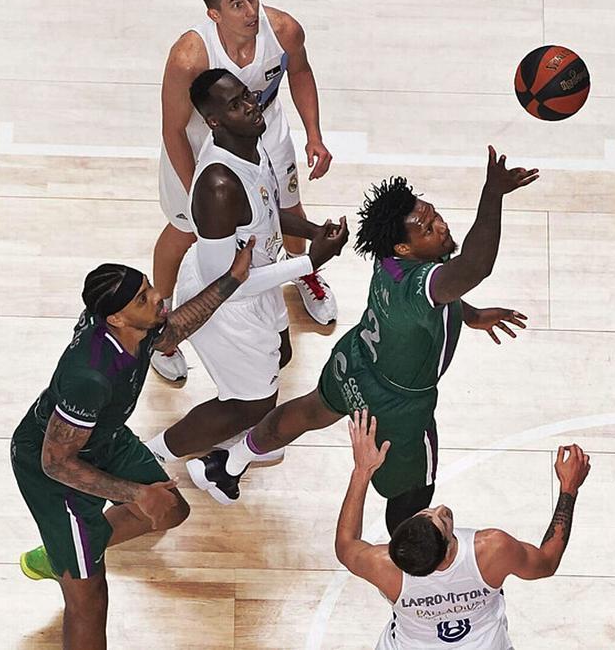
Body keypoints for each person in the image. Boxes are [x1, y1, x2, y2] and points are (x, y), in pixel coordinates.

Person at [188, 147, 537, 533]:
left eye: (435, 215)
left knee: (305, 411)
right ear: (404, 247)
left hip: (355, 363)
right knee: (410, 499)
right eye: (427, 227)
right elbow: (474, 266)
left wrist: (469, 315)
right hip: (399, 403)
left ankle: (228, 463)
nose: (441, 226)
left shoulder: (389, 260)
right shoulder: (423, 286)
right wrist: (493, 193)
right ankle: (408, 569)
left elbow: (436, 296)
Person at [10, 240, 253, 650]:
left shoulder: (134, 328)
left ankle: (61, 556)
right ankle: (70, 557)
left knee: (171, 508)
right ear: (117, 317)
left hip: (102, 440)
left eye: (148, 286)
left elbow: (174, 327)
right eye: (144, 296)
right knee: (90, 602)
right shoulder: (89, 375)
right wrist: (136, 493)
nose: (157, 295)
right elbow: (56, 463)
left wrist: (233, 278)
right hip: (53, 472)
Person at [144, 68, 348, 466]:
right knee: (252, 405)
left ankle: (230, 426)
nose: (251, 106)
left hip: (256, 280)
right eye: (235, 105)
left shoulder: (252, 144)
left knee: (282, 354)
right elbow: (227, 284)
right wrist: (309, 261)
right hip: (221, 303)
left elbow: (268, 211)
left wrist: (313, 230)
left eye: (247, 96)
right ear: (214, 122)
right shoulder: (219, 186)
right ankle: (150, 455)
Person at [151, 0, 337, 382]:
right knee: (185, 229)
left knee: (288, 205)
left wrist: (314, 134)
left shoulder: (284, 29)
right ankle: (162, 323)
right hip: (201, 141)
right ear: (213, 13)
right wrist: (196, 195)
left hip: (262, 127)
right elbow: (172, 129)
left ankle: (303, 274)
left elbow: (301, 72)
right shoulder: (190, 57)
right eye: (237, 4)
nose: (251, 11)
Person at [336, 411, 591, 649]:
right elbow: (547, 562)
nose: (441, 509)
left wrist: (362, 471)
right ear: (447, 551)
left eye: (429, 512)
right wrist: (569, 488)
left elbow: (345, 545)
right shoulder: (492, 550)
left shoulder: (386, 567)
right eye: (441, 520)